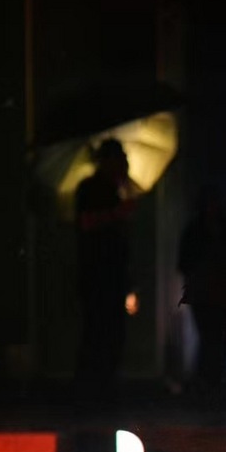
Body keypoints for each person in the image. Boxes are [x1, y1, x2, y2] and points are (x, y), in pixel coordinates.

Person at [74, 136, 137, 398]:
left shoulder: (114, 191)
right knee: (99, 332)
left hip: (111, 273)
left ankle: (103, 388)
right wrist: (117, 213)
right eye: (120, 158)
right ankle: (95, 389)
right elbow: (85, 222)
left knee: (111, 333)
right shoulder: (90, 189)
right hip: (98, 274)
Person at [177, 185, 226, 393]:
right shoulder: (200, 231)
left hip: (219, 290)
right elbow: (184, 263)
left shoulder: (216, 229)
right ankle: (209, 380)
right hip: (206, 291)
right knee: (211, 336)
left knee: (217, 336)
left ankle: (212, 380)